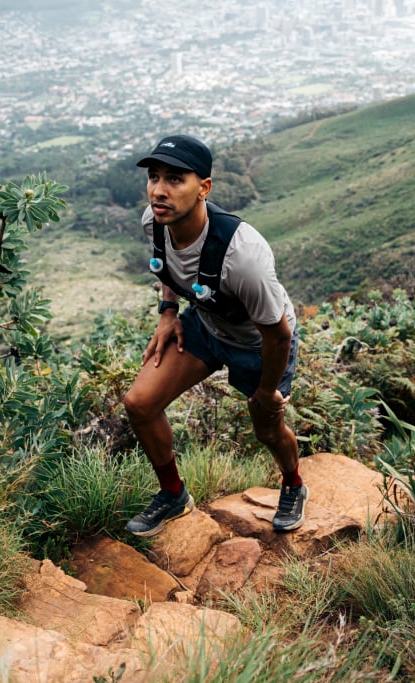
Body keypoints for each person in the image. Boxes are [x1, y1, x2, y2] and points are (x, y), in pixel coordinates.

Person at [123, 134, 306, 537]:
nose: (159, 190)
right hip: (205, 325)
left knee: (267, 428)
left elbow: (278, 334)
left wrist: (269, 390)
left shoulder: (243, 256)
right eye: (154, 177)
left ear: (204, 188)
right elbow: (165, 267)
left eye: (175, 179)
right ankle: (173, 494)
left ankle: (293, 483)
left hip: (258, 345)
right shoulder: (154, 221)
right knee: (139, 403)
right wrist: (168, 311)